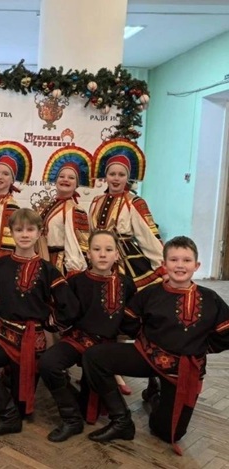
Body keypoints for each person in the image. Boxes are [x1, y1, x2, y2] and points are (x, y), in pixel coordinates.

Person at [82, 236, 229, 455]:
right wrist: (146, 341)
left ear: (196, 265)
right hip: (147, 356)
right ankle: (121, 419)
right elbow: (129, 320)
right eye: (174, 260)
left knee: (166, 432)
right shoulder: (150, 294)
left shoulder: (211, 299)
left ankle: (154, 395)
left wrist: (199, 348)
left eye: (186, 260)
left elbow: (225, 334)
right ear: (164, 264)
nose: (180, 265)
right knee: (94, 356)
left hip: (182, 371)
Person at [0, 208, 79, 438]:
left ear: (39, 233)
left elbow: (69, 306)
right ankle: (7, 417)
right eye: (19, 229)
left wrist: (49, 324)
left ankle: (18, 410)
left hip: (32, 342)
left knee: (23, 405)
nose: (25, 234)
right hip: (2, 336)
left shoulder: (49, 270)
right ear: (11, 232)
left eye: (30, 229)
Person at [37, 230, 136, 442]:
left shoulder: (127, 284)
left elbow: (130, 321)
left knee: (89, 399)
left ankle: (116, 418)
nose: (103, 254)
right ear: (88, 254)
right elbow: (64, 312)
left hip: (105, 348)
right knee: (48, 363)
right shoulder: (75, 281)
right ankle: (71, 420)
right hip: (77, 339)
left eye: (108, 249)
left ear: (117, 254)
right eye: (97, 249)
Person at [89, 138, 165, 397]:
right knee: (104, 314)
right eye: (112, 173)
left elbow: (147, 235)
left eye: (121, 174)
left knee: (134, 316)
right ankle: (111, 370)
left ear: (128, 177)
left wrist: (162, 265)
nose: (116, 178)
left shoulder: (135, 202)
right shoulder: (96, 201)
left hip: (129, 263)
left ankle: (153, 371)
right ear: (105, 176)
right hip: (101, 260)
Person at [40, 145, 93, 277]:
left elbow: (81, 245)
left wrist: (73, 272)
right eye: (61, 176)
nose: (65, 179)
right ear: (55, 180)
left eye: (71, 178)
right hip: (45, 258)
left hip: (61, 264)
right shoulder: (50, 206)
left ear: (77, 184)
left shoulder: (75, 210)